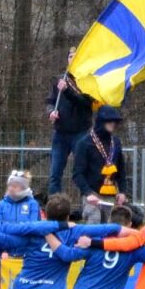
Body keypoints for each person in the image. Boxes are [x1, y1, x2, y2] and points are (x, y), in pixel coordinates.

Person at [46, 55, 94, 195]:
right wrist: (51, 112)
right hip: (60, 133)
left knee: (82, 172)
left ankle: (86, 206)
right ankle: (55, 206)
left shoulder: (87, 81)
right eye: (70, 57)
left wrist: (67, 90)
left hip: (80, 133)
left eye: (75, 56)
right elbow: (50, 101)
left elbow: (85, 103)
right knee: (55, 174)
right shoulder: (60, 80)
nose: (72, 59)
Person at [74, 105, 128, 223]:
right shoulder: (84, 143)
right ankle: (89, 241)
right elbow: (77, 174)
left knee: (110, 226)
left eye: (114, 121)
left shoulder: (116, 142)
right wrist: (88, 193)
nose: (112, 123)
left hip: (110, 194)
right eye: (109, 120)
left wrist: (122, 192)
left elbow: (121, 172)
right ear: (101, 121)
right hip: (92, 194)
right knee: (94, 219)